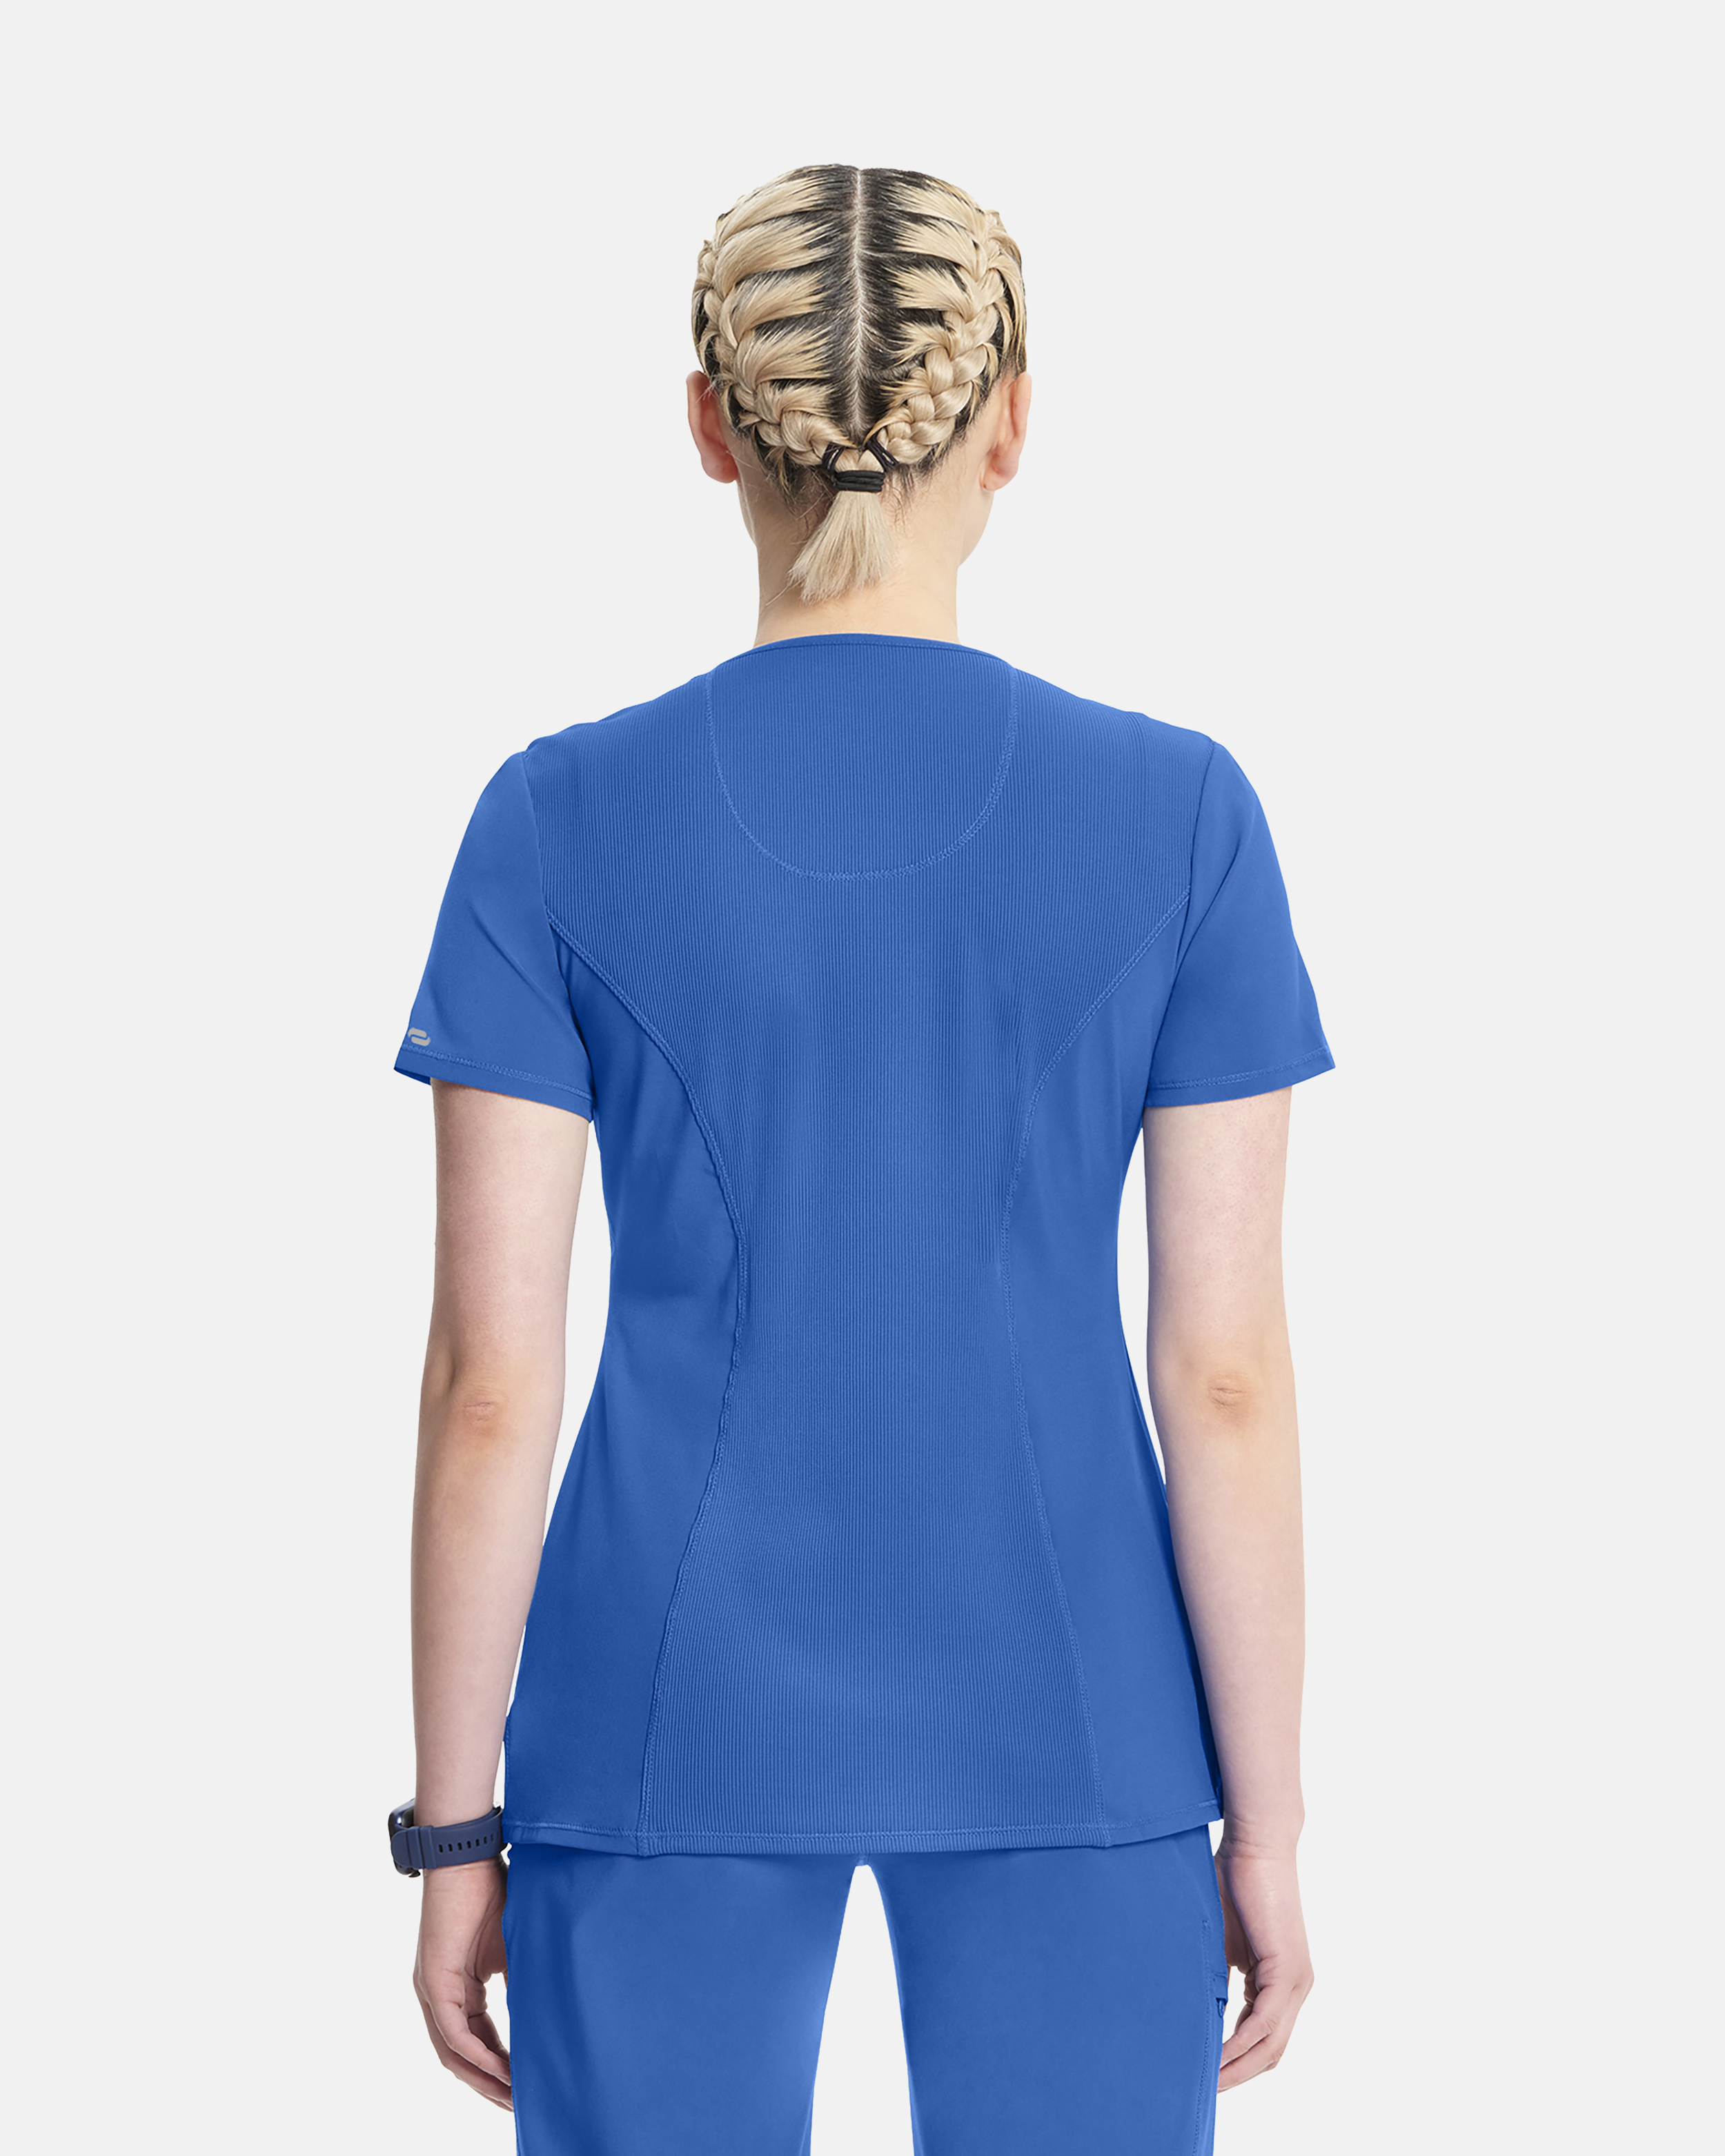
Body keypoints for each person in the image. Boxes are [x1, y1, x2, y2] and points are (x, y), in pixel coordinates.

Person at [391, 163, 1334, 2156]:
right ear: (1011, 424)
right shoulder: (1180, 815)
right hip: (1081, 1710)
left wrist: (456, 1829)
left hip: (656, 1714)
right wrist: (1263, 1819)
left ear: (707, 424)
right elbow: (1225, 1377)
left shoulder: (555, 819)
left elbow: (489, 1385)